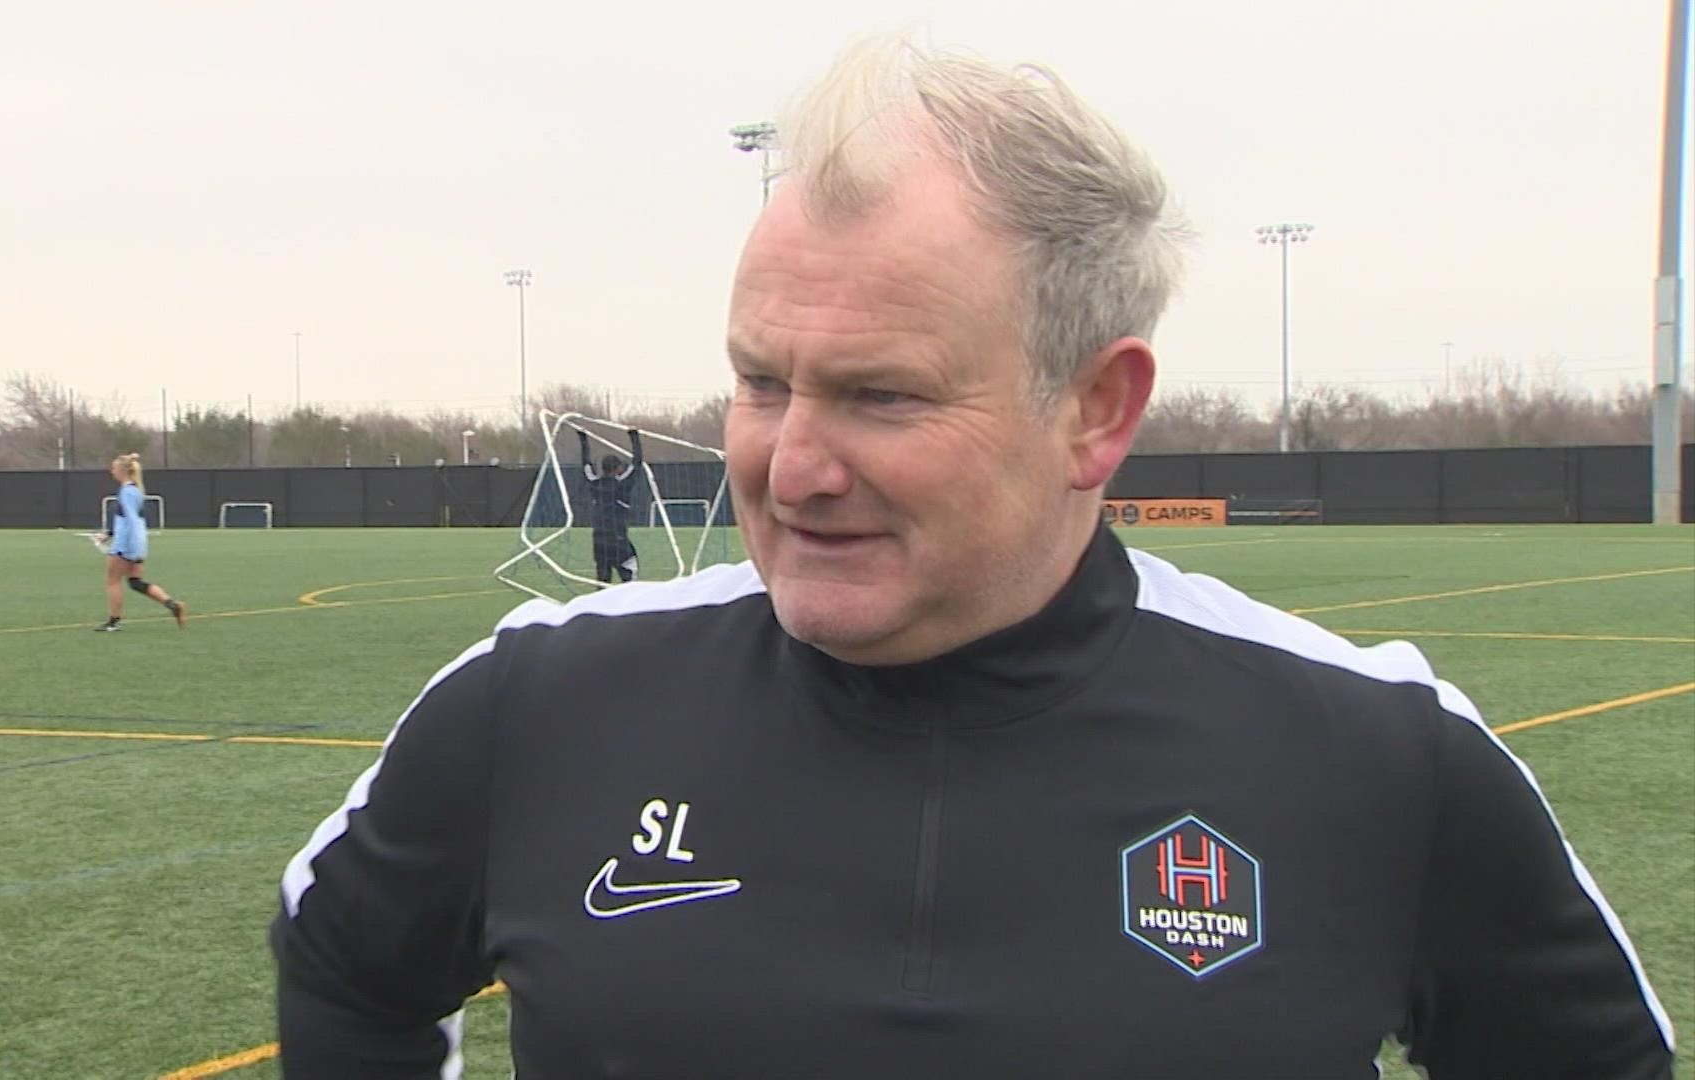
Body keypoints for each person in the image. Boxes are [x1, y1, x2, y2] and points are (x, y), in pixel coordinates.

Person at [270, 38, 1673, 1079]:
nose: (791, 466)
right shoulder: (540, 705)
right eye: (763, 381)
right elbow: (345, 966)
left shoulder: (1379, 757)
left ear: (1097, 410)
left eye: (883, 395)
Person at [94, 452, 188, 631]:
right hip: (136, 545)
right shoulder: (135, 491)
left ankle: (113, 622)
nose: (111, 471)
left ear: (122, 470)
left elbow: (131, 520)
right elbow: (128, 519)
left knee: (113, 580)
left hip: (127, 545)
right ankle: (173, 605)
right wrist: (109, 533)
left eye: (114, 468)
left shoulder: (128, 492)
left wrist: (125, 547)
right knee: (135, 582)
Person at [576, 426, 644, 584]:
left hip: (598, 542)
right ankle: (630, 606)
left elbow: (585, 464)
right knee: (630, 579)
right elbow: (637, 462)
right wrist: (634, 436)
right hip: (618, 540)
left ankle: (600, 606)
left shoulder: (593, 483)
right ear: (618, 469)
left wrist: (583, 438)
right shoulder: (623, 485)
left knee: (602, 583)